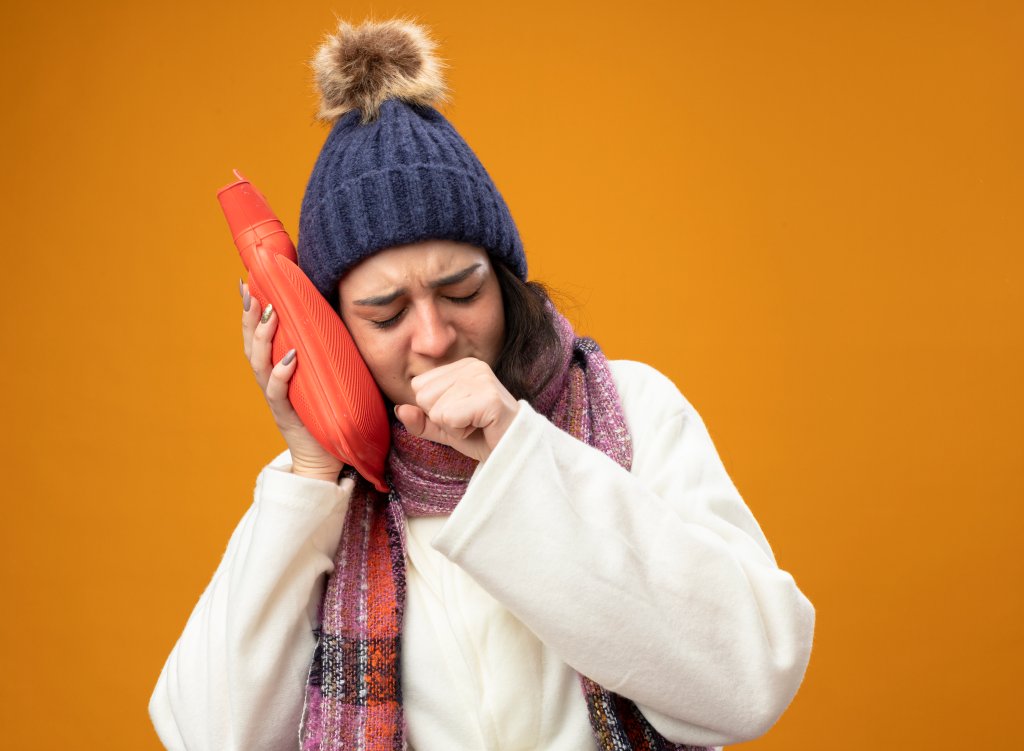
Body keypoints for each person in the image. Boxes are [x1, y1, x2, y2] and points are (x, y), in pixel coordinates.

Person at [149, 18, 815, 751]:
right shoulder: (322, 494)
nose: (434, 337)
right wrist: (310, 473)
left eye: (462, 292)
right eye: (386, 313)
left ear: (504, 284)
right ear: (332, 328)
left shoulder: (635, 407)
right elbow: (209, 737)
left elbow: (750, 681)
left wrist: (518, 455)